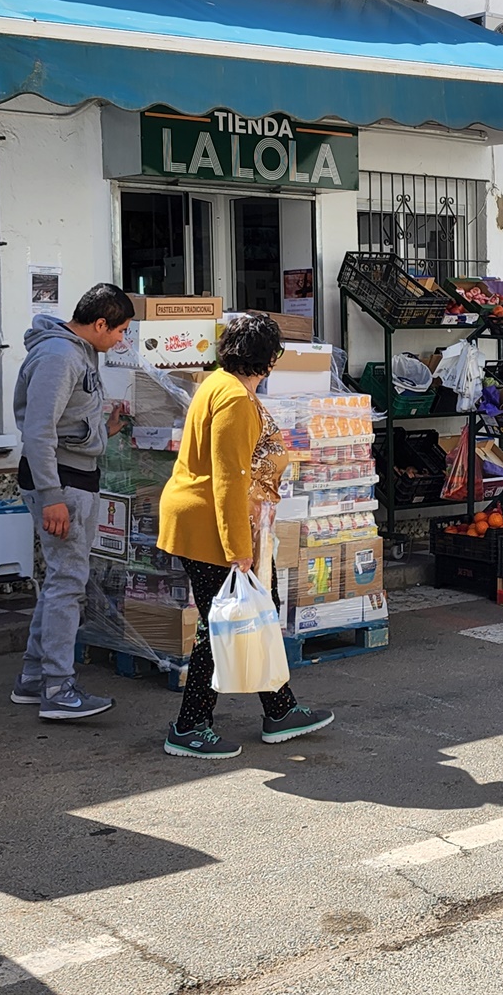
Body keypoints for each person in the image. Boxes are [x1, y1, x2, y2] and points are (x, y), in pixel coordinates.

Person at [159, 312, 333, 760]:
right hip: (212, 526)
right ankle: (189, 725)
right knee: (221, 624)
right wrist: (239, 550)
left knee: (257, 613)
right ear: (270, 360)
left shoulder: (218, 383)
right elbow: (228, 478)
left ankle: (280, 708)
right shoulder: (235, 399)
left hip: (208, 519)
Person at [9, 284, 134, 720]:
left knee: (63, 579)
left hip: (72, 477)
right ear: (99, 323)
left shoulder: (79, 352)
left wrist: (107, 429)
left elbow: (68, 424)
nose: (121, 339)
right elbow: (39, 431)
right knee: (68, 583)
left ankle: (32, 678)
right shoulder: (60, 357)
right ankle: (58, 689)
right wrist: (52, 498)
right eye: (119, 330)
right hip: (60, 484)